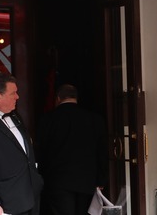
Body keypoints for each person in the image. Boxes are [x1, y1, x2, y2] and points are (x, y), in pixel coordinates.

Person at [0, 72, 43, 215]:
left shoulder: (15, 115)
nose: (17, 97)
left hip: (31, 195)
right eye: (13, 93)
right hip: (8, 202)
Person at [37, 84, 108, 215]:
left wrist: (41, 176)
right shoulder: (95, 120)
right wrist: (101, 179)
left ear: (58, 98)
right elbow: (102, 152)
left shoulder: (47, 119)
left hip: (58, 181)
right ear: (76, 98)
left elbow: (41, 151)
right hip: (87, 180)